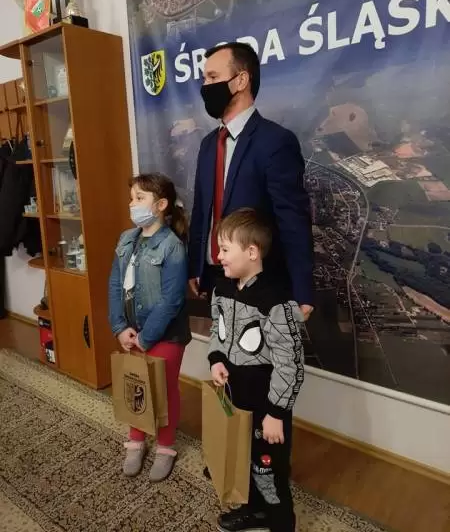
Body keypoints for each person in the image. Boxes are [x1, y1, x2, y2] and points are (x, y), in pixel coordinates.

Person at [188, 41, 314, 320]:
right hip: (215, 280)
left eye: (213, 77)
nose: (205, 86)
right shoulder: (208, 145)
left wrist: (302, 290)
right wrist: (196, 266)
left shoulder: (275, 141)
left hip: (262, 285)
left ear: (241, 80)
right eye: (204, 78)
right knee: (222, 347)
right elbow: (201, 211)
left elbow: (292, 218)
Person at [209, 208, 304, 532]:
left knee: (268, 468)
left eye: (225, 249)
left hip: (267, 407)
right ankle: (253, 510)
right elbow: (217, 330)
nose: (218, 256)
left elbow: (290, 361)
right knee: (244, 458)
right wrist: (216, 359)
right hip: (237, 399)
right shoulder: (222, 289)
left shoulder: (275, 301)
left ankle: (279, 522)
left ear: (252, 252)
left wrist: (276, 412)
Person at [109, 173, 191, 481]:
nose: (132, 204)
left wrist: (146, 338)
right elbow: (115, 284)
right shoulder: (125, 239)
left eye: (140, 198)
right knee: (136, 384)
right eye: (131, 198)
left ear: (161, 204)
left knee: (164, 389)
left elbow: (171, 300)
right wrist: (119, 327)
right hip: (132, 331)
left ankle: (166, 447)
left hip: (164, 334)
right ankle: (136, 440)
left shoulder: (172, 247)